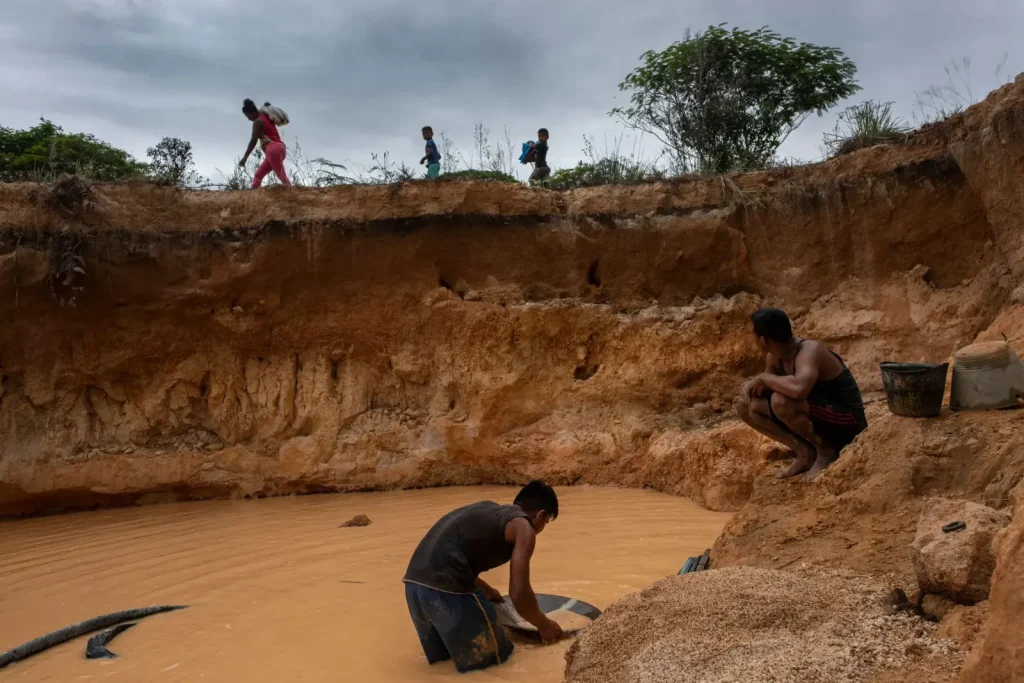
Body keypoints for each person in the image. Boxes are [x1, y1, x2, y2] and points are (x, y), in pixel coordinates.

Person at [403, 481, 563, 673]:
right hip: (447, 589)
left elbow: (450, 554)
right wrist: (544, 625)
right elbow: (518, 593)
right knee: (496, 663)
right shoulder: (524, 527)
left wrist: (487, 590)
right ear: (541, 514)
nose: (541, 528)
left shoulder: (488, 510)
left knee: (444, 667)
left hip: (414, 587)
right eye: (545, 523)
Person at [735, 308, 867, 481]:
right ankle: (804, 452)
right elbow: (771, 387)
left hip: (848, 422)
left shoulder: (809, 351)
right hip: (819, 417)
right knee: (745, 405)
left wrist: (765, 378)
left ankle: (826, 452)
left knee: (781, 402)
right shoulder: (774, 356)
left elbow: (799, 389)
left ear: (764, 339)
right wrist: (755, 387)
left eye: (753, 335)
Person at [239, 98, 291, 188]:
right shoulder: (265, 115)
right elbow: (266, 107)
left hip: (272, 149)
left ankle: (293, 197)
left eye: (248, 116)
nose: (248, 119)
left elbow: (253, 140)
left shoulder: (257, 122)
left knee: (281, 176)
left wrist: (245, 157)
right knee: (258, 175)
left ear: (252, 113)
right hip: (280, 148)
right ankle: (254, 198)